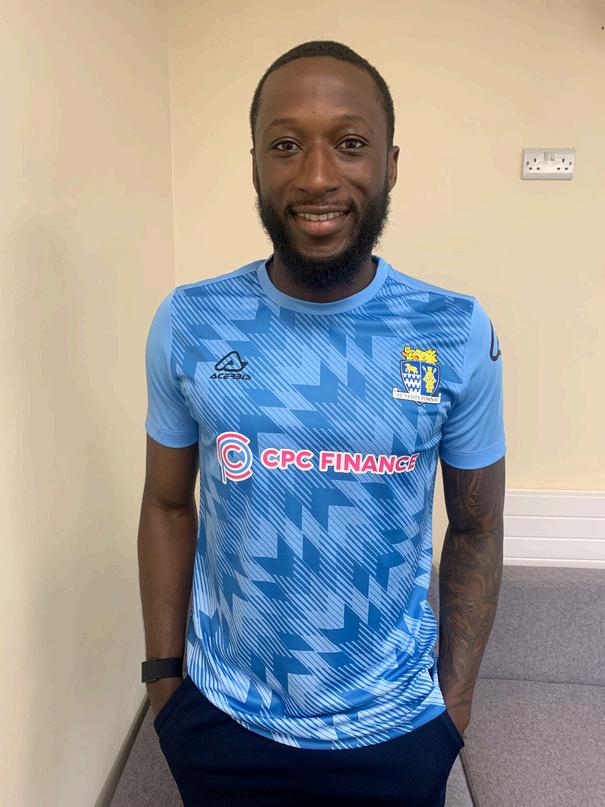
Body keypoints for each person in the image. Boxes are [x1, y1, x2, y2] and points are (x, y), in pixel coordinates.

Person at [138, 40, 506, 807]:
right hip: (221, 719)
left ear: (390, 164)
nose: (315, 176)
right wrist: (165, 682)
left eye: (349, 143)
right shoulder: (190, 321)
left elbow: (476, 527)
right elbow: (167, 504)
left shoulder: (453, 330)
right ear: (253, 166)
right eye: (284, 145)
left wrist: (453, 708)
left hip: (396, 727)